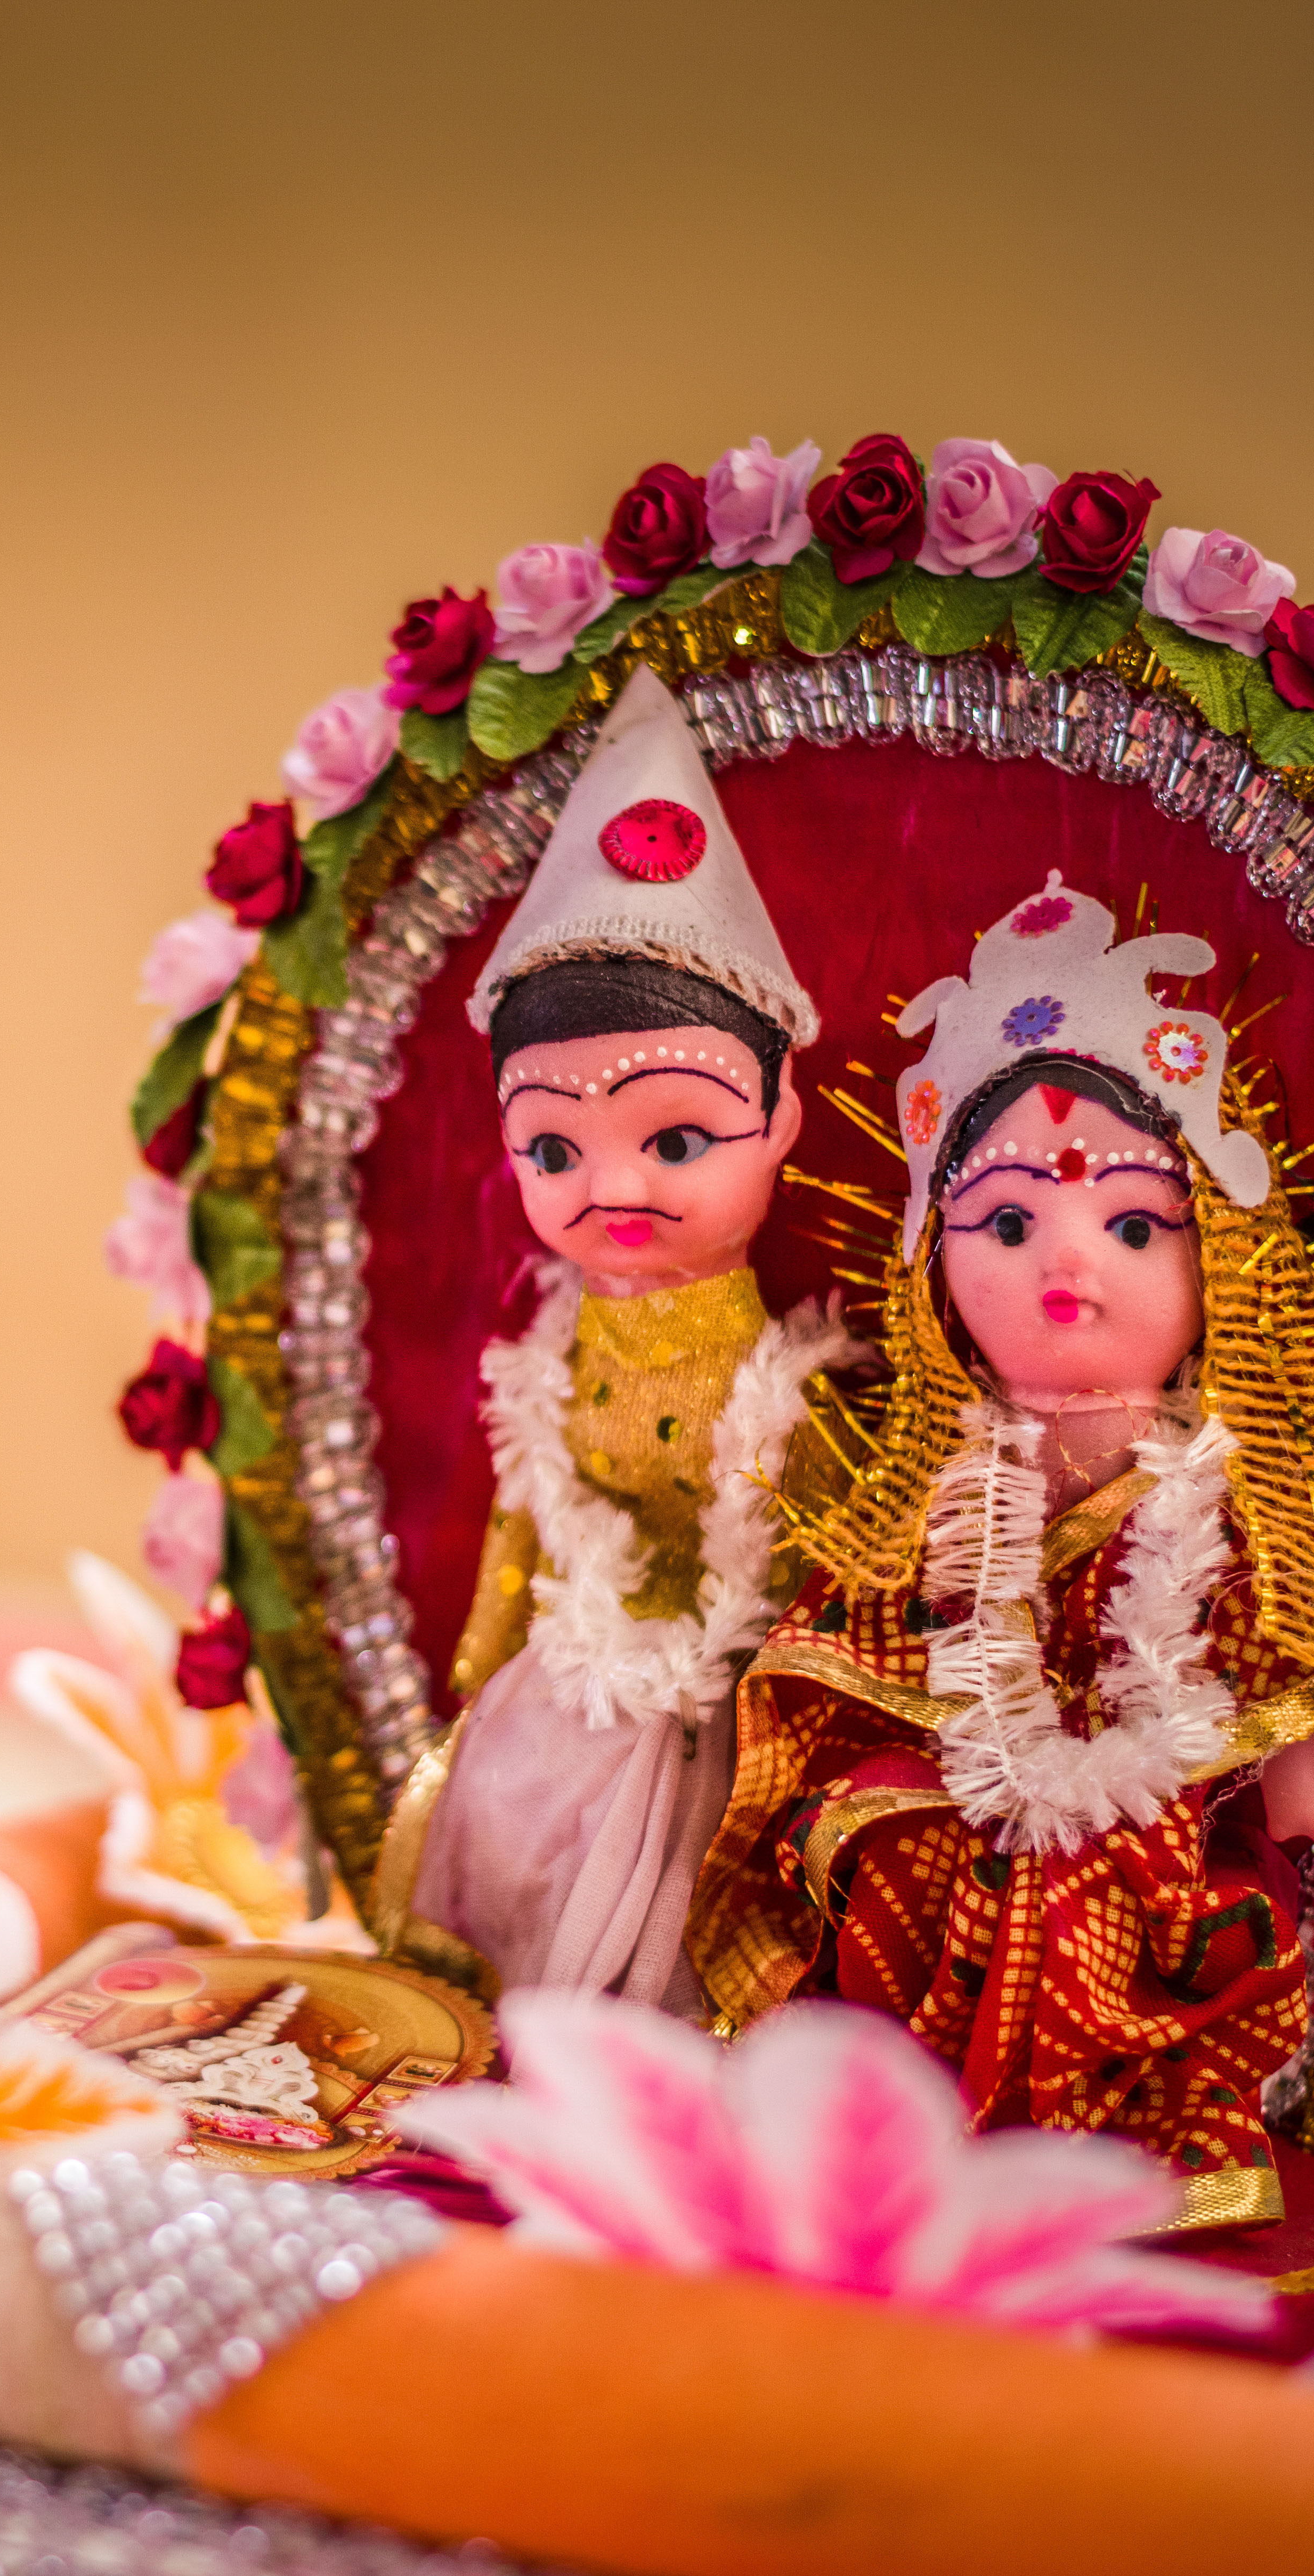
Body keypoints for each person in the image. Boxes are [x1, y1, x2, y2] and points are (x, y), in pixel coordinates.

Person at [690, 874, 1314, 2222]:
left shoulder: (1211, 1474)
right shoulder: (958, 1456)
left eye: (1129, 1222)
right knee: (890, 1850)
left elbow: (1257, 1636)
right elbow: (863, 1622)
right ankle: (897, 2127)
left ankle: (1094, 2147)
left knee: (1086, 1886)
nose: (1069, 1263)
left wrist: (1295, 1775)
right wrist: (917, 1626)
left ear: (1213, 1257)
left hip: (1148, 1794)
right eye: (1004, 1223)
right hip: (957, 1757)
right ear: (937, 1268)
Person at [369, 672, 854, 2020]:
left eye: (678, 1139)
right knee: (503, 1820)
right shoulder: (553, 1339)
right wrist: (477, 1670)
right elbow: (530, 1516)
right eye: (549, 1148)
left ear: (782, 1118)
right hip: (564, 1674)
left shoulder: (787, 1386)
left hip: (719, 1705)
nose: (612, 1188)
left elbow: (817, 1567)